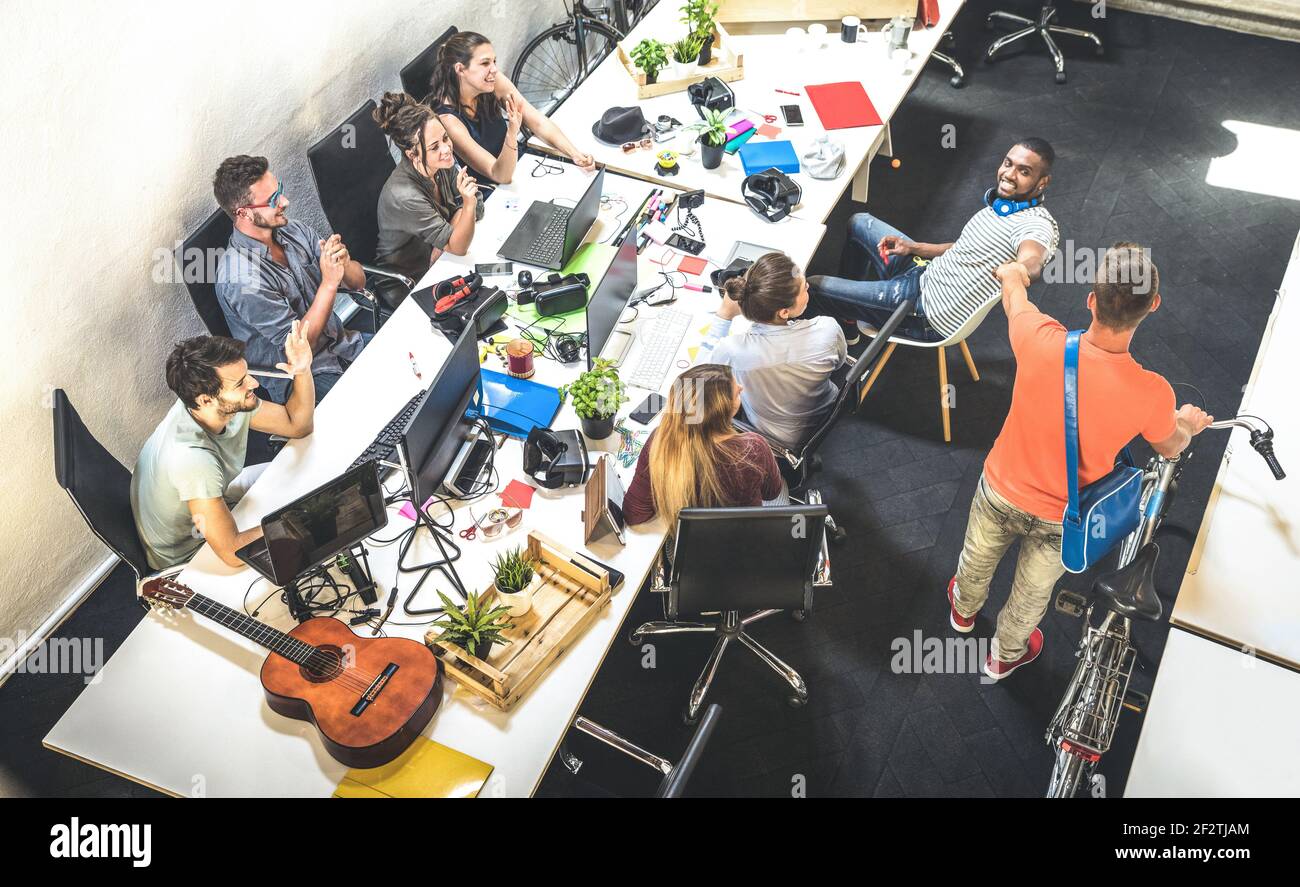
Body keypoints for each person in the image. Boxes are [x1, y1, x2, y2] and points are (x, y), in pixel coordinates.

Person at [947, 244, 1213, 680]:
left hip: (1000, 489)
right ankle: (1004, 657)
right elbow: (1171, 447)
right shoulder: (1152, 391)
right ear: (1154, 307)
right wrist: (1186, 422)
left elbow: (1016, 299)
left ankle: (962, 613)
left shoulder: (1039, 339)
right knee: (1032, 592)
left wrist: (1013, 273)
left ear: (1091, 299)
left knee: (976, 558)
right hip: (1065, 516)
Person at [808, 138, 1061, 345]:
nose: (1009, 174)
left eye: (1024, 171)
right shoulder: (1003, 207)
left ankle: (844, 317)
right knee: (860, 222)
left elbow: (1033, 260)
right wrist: (914, 247)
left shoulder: (1035, 224)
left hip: (923, 312)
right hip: (923, 275)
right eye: (1008, 164)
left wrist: (1019, 269)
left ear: (1042, 183)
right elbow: (963, 248)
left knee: (813, 287)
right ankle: (849, 319)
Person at [131, 324, 317, 571]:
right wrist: (301, 517)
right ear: (205, 400)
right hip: (191, 553)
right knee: (308, 530)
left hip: (218, 495)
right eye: (240, 383)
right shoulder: (192, 461)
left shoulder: (216, 404)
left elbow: (297, 425)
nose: (253, 383)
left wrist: (303, 371)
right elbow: (233, 552)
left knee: (311, 478)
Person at [213, 154, 369, 403]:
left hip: (343, 344)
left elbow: (359, 283)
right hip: (303, 377)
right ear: (243, 213)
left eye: (280, 190)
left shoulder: (293, 230)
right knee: (374, 410)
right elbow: (300, 348)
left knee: (415, 354)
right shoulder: (241, 279)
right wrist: (329, 283)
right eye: (273, 200)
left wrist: (344, 263)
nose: (285, 201)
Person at [708, 252, 847, 450]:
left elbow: (696, 379)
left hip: (779, 440)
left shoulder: (733, 350)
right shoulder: (828, 328)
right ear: (783, 312)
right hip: (826, 411)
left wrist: (724, 315)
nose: (808, 287)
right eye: (804, 288)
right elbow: (839, 364)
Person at [624, 364, 787, 527]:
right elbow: (772, 493)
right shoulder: (753, 448)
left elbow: (635, 515)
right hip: (746, 539)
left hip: (689, 546)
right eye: (736, 393)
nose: (741, 387)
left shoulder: (660, 444)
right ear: (723, 409)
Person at [429, 31, 596, 186]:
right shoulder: (448, 121)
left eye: (494, 61)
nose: (494, 69)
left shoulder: (492, 81)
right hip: (495, 189)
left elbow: (537, 122)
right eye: (485, 63)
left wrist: (574, 154)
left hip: (521, 165)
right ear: (460, 69)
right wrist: (512, 133)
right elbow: (498, 174)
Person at [373, 92, 484, 287]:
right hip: (411, 282)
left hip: (444, 263)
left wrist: (444, 241)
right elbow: (458, 246)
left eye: (445, 138)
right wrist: (465, 205)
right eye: (434, 147)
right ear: (413, 155)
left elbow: (479, 205)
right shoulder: (405, 196)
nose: (446, 149)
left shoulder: (440, 162)